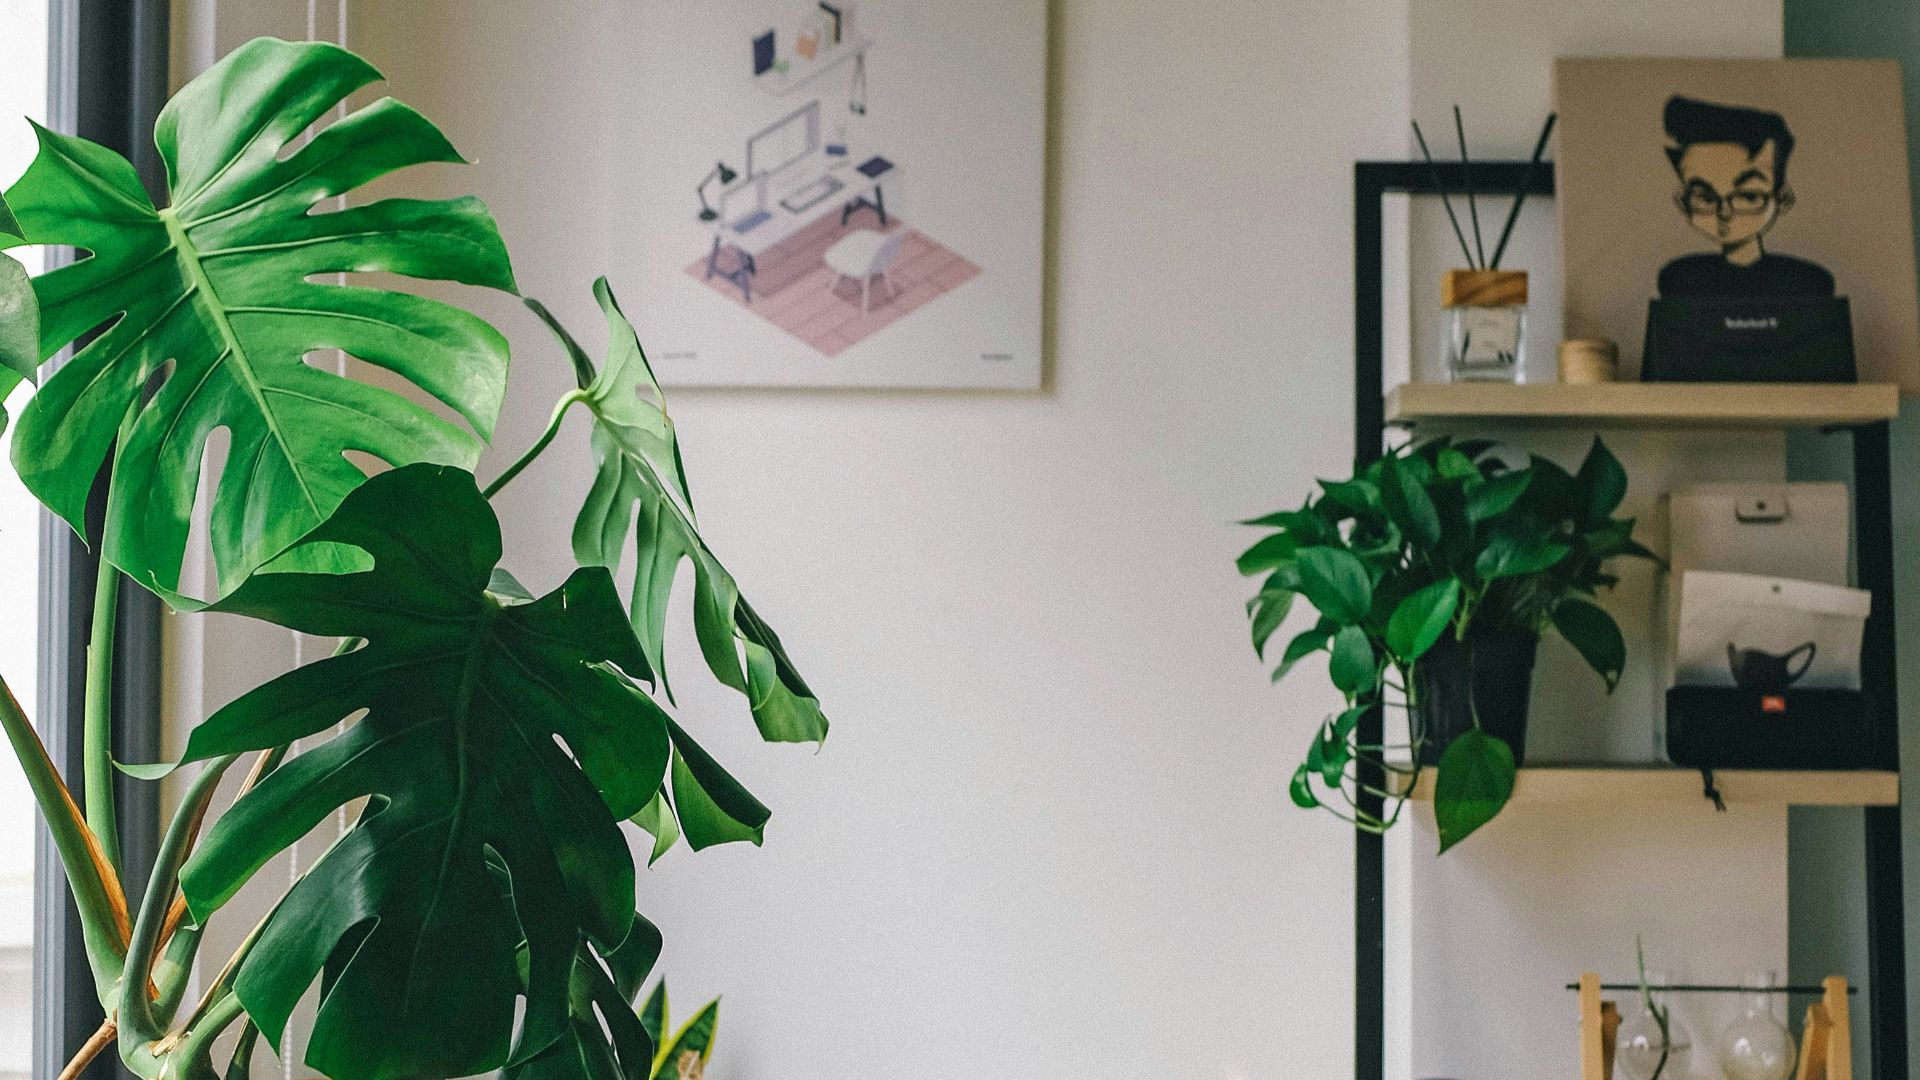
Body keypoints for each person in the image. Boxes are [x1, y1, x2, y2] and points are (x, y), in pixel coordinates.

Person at [1657, 95, 1835, 298]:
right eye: (1706, 198)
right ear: (1683, 201)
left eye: (1748, 197)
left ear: (1782, 198)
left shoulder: (1807, 284)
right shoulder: (1681, 281)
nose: (1724, 212)